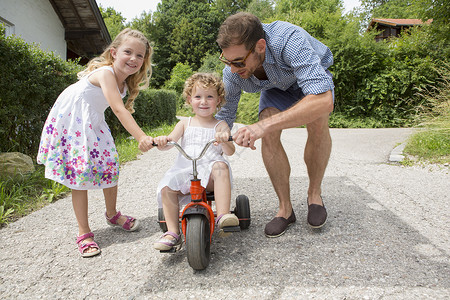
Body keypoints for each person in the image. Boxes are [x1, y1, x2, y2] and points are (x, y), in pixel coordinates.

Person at [37, 28, 154, 257]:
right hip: (72, 123)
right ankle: (84, 232)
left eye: (140, 55)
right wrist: (141, 136)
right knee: (80, 176)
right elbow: (119, 110)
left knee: (110, 165)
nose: (133, 58)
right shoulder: (106, 73)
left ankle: (112, 214)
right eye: (128, 52)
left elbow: (114, 106)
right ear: (114, 53)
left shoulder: (125, 84)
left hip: (92, 122)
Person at [215, 12, 334, 238]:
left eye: (238, 62)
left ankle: (314, 195)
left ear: (260, 46)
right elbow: (225, 115)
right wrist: (221, 129)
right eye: (226, 60)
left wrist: (260, 128)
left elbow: (323, 99)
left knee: (317, 121)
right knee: (267, 126)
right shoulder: (232, 71)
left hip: (309, 82)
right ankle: (285, 209)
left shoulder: (288, 39)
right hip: (276, 88)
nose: (232, 68)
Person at [153, 73, 238, 251]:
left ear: (218, 100)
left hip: (211, 175)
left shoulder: (220, 125)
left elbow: (230, 151)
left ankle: (223, 215)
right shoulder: (185, 123)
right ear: (190, 100)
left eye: (209, 97)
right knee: (167, 187)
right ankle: (172, 232)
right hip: (186, 170)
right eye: (198, 97)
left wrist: (225, 140)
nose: (204, 102)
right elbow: (170, 143)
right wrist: (162, 141)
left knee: (220, 165)